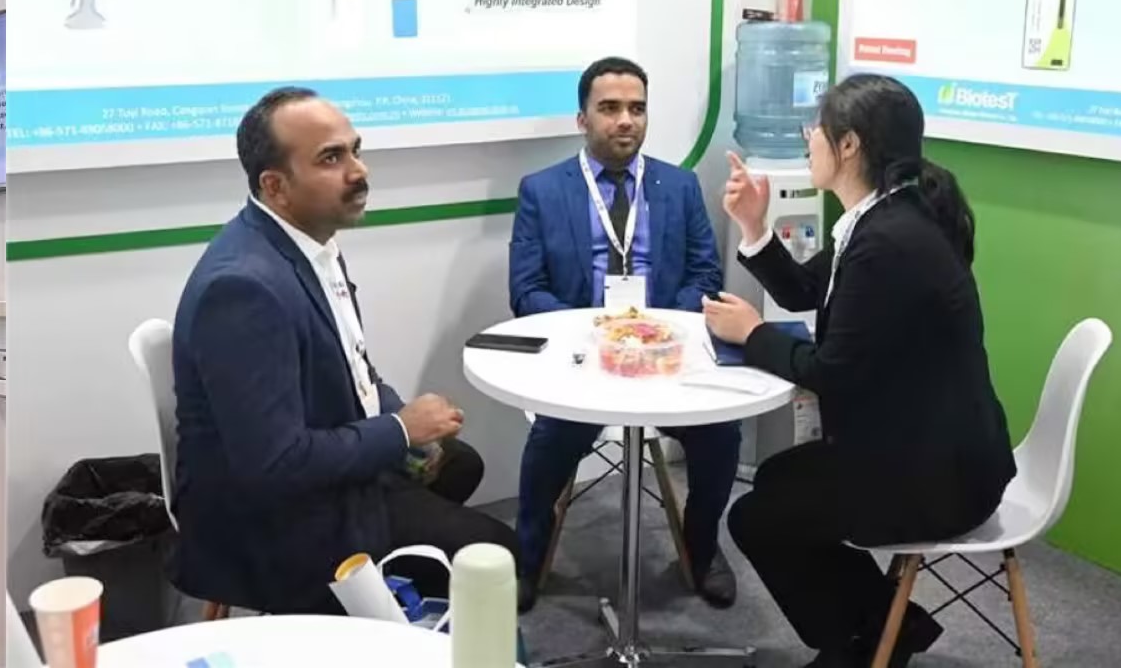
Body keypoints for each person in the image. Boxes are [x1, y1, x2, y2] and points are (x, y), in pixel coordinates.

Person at [705, 74, 1015, 668]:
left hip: (940, 477)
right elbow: (803, 289)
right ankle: (884, 626)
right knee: (775, 482)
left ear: (848, 145)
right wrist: (754, 225)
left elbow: (831, 374)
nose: (808, 140)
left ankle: (867, 640)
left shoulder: (888, 242)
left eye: (815, 130)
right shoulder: (885, 217)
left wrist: (752, 333)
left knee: (758, 517)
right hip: (929, 448)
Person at [170, 87, 518, 614]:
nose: (359, 171)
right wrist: (400, 430)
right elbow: (275, 465)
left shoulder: (307, 243)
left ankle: (392, 588)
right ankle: (369, 612)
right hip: (272, 524)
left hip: (310, 478)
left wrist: (401, 419)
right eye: (331, 158)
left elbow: (353, 365)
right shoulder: (242, 290)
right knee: (502, 560)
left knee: (459, 463)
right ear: (274, 185)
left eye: (355, 150)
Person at [506, 57, 737, 610]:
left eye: (636, 108)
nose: (625, 120)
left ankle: (702, 547)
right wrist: (595, 333)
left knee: (722, 434)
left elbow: (706, 275)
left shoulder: (680, 186)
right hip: (584, 361)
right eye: (609, 108)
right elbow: (526, 290)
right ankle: (528, 556)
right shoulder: (542, 190)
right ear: (582, 119)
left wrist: (657, 329)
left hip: (667, 358)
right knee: (548, 443)